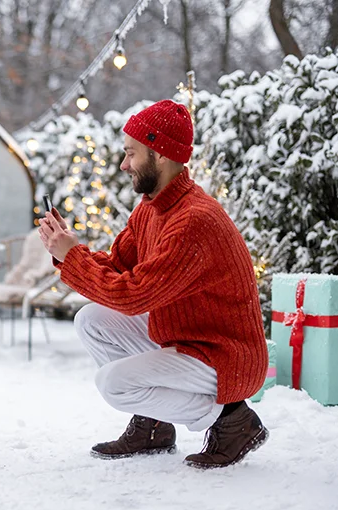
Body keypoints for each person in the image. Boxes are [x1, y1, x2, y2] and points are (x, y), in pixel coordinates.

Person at [38, 99, 269, 469]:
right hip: (185, 337)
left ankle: (233, 421)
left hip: (223, 355)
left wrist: (72, 256)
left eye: (131, 154)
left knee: (114, 384)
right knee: (91, 320)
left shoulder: (194, 221)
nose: (123, 164)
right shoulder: (152, 207)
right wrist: (68, 250)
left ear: (159, 155)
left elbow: (132, 296)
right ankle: (154, 426)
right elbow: (116, 268)